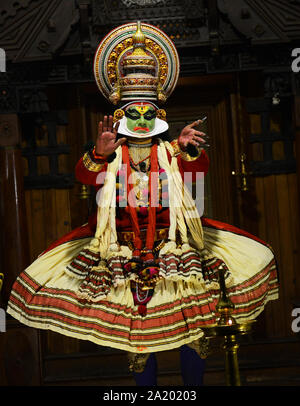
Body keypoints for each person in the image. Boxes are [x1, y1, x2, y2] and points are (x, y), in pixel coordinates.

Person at [7, 22, 279, 386]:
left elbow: (199, 169)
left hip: (175, 250)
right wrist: (98, 154)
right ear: (120, 116)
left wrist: (186, 146)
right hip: (122, 252)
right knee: (137, 341)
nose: (139, 121)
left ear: (158, 116)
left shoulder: (169, 151)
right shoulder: (111, 154)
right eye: (132, 114)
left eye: (146, 114)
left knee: (193, 333)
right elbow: (85, 177)